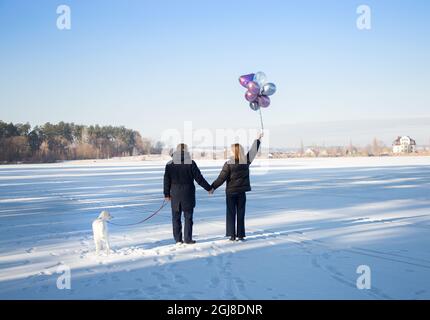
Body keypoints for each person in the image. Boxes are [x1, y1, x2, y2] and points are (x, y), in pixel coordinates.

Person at [210, 132, 263, 241]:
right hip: (241, 192)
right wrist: (258, 139)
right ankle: (240, 234)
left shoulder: (228, 163)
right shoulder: (246, 161)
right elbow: (253, 151)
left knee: (231, 213)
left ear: (233, 151)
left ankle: (232, 235)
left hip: (231, 192)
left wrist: (212, 187)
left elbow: (221, 178)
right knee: (240, 213)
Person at [164, 143, 212, 245]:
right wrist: (208, 188)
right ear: (186, 151)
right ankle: (188, 239)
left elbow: (166, 181)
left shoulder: (169, 164)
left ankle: (178, 240)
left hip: (175, 194)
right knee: (188, 217)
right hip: (188, 194)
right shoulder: (191, 163)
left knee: (176, 218)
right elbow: (199, 178)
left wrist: (166, 194)